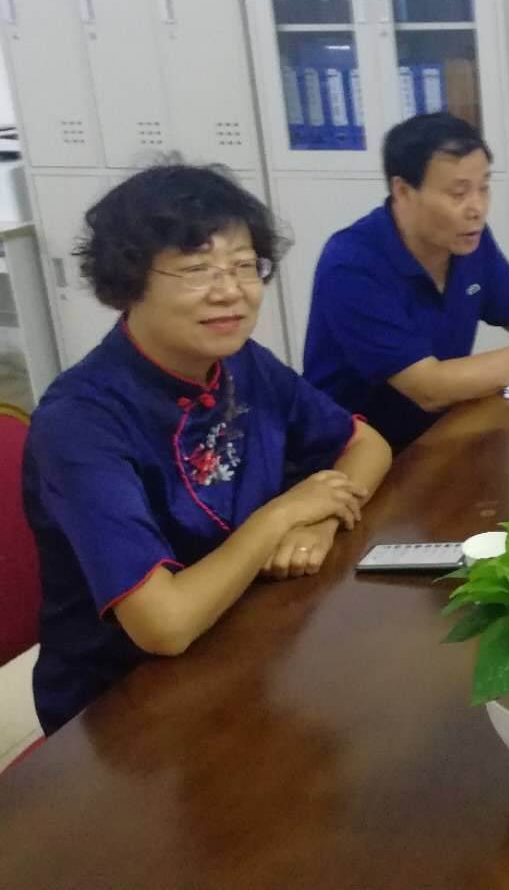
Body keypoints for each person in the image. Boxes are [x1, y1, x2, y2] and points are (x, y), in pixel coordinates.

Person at [23, 165, 392, 734]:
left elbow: (366, 445)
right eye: (197, 270)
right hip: (124, 707)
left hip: (244, 638)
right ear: (129, 280)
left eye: (244, 266)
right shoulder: (81, 422)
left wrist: (321, 522)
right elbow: (164, 626)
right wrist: (281, 517)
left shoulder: (240, 363)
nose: (230, 291)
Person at [303, 113, 509, 449]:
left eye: (483, 188)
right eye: (458, 193)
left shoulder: (467, 239)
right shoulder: (352, 265)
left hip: (444, 428)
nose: (477, 208)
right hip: (358, 452)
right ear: (403, 191)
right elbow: (428, 388)